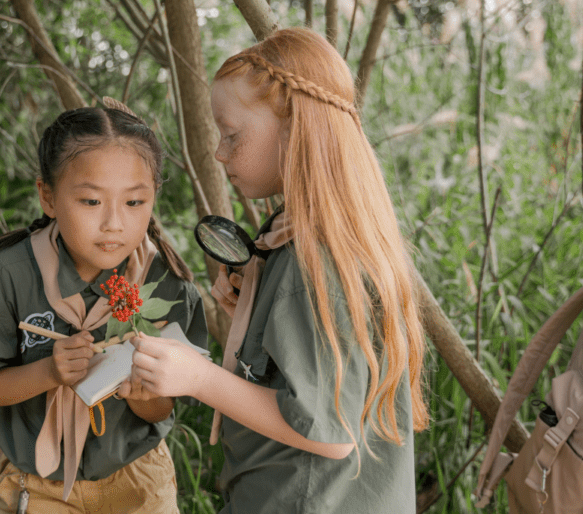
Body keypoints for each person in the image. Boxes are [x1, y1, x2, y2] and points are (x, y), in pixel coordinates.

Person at [129, 27, 429, 513]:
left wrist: (198, 378)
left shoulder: (314, 261)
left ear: (293, 128)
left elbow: (329, 434)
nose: (220, 153)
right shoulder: (319, 237)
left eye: (232, 134)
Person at [0, 106, 207, 514]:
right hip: (40, 483)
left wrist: (142, 396)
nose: (114, 222)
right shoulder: (8, 278)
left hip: (137, 476)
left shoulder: (166, 286)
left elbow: (162, 407)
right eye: (91, 201)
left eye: (135, 201)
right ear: (48, 196)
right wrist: (48, 372)